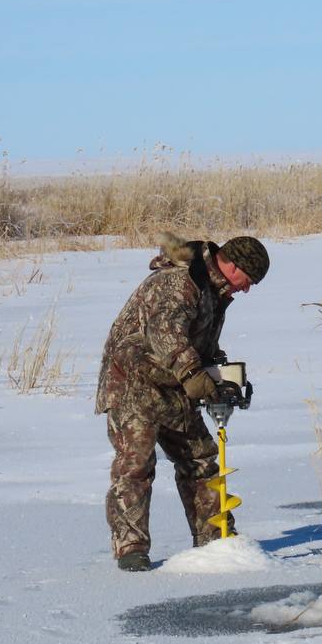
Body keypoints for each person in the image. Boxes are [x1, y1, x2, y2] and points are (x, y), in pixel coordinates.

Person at [95, 232, 269, 571]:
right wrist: (193, 374)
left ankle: (216, 539)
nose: (246, 289)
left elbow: (197, 342)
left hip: (171, 386)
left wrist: (219, 373)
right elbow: (167, 332)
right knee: (136, 465)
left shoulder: (214, 292)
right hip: (133, 382)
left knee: (201, 461)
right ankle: (131, 550)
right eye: (247, 281)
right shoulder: (178, 281)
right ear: (232, 265)